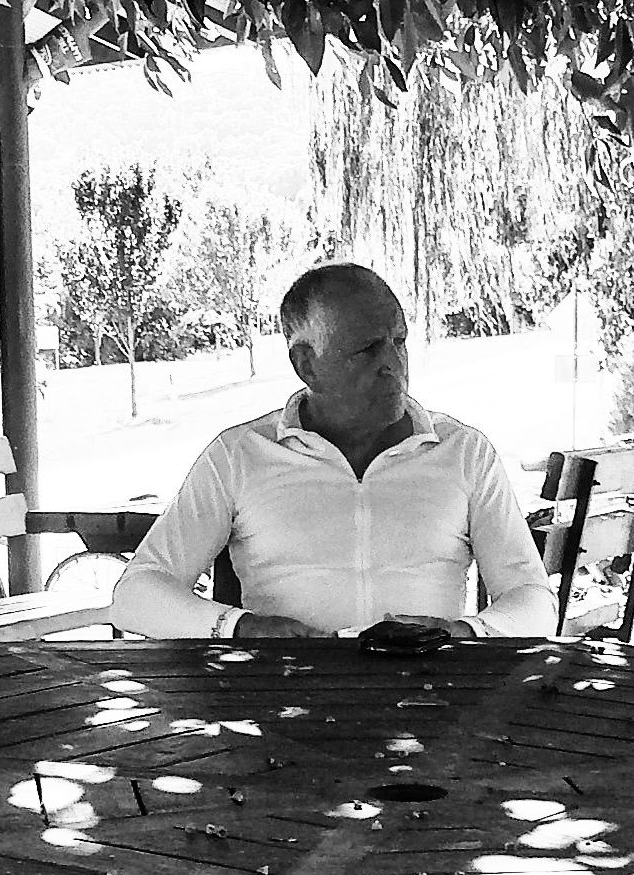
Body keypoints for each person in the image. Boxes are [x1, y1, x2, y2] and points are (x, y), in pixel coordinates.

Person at [112, 263, 555, 641]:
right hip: (284, 697)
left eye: (399, 341)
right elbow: (136, 596)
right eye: (367, 350)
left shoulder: (464, 452)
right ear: (306, 364)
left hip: (428, 697)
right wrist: (240, 627)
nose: (393, 364)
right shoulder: (240, 455)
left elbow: (533, 599)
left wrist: (464, 633)